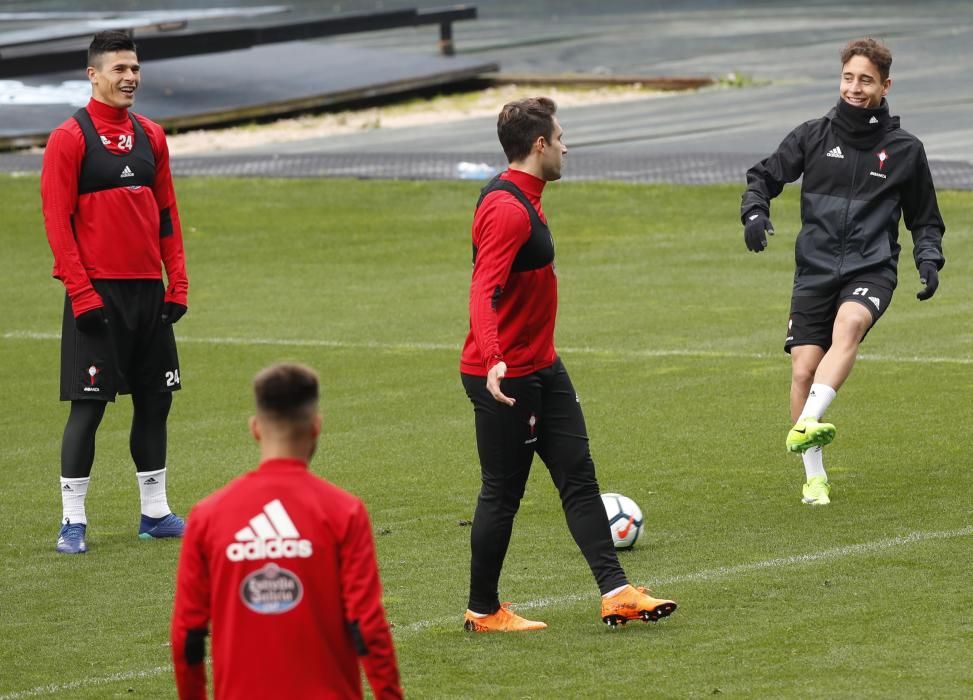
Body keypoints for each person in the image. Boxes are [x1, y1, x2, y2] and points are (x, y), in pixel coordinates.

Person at [460, 97, 677, 631]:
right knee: (502, 493)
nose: (565, 147)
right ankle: (483, 610)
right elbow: (482, 290)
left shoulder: (524, 195)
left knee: (578, 478)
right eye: (560, 139)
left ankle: (617, 592)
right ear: (540, 146)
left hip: (543, 367)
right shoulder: (507, 209)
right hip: (506, 377)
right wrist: (493, 359)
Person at [741, 37, 945, 505]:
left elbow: (924, 219)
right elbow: (764, 177)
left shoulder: (905, 150)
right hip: (813, 270)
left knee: (849, 324)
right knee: (803, 370)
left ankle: (808, 421)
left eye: (866, 80)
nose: (855, 88)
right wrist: (754, 213)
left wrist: (928, 259)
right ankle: (813, 476)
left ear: (885, 85)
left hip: (871, 266)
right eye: (849, 77)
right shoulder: (812, 136)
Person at [170, 363, 402, 699]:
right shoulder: (344, 511)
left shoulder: (208, 516)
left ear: (255, 428)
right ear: (316, 426)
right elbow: (367, 625)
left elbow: (187, 636)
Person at [41, 30, 189, 554]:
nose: (130, 77)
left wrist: (178, 281)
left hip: (149, 293)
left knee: (155, 401)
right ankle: (73, 522)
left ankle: (155, 513)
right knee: (89, 408)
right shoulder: (70, 138)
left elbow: (167, 214)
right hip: (98, 295)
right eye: (119, 69)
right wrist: (81, 294)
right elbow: (58, 224)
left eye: (135, 68)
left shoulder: (152, 135)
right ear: (93, 75)